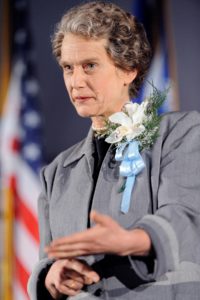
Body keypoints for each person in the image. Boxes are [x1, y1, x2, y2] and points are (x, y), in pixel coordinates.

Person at [28, 1, 200, 299]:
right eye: (68, 68)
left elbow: (187, 218)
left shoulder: (180, 134)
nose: (76, 81)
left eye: (90, 66)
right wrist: (52, 276)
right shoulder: (56, 173)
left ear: (129, 70)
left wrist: (134, 239)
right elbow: (50, 256)